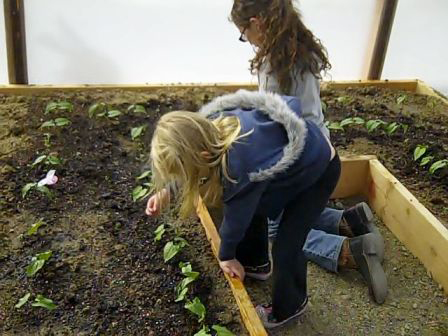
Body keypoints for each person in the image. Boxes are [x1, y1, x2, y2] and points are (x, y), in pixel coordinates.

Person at [230, 0, 387, 304]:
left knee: (278, 228)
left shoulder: (274, 63)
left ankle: (348, 252)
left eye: (243, 32)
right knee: (295, 213)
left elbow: (277, 121)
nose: (246, 39)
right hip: (320, 149)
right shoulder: (299, 48)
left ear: (257, 22)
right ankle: (347, 221)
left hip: (298, 153)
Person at [147, 90, 342, 327]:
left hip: (319, 172)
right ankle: (256, 263)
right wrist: (167, 191)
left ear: (203, 154)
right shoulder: (211, 133)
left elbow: (235, 220)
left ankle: (290, 306)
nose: (183, 178)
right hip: (290, 165)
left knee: (287, 245)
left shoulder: (240, 167)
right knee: (254, 205)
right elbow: (192, 169)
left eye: (180, 174)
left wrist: (226, 256)